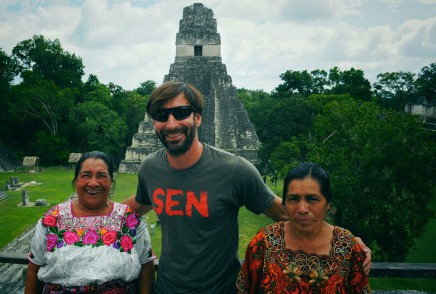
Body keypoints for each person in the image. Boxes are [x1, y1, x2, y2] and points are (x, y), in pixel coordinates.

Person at [123, 81, 371, 293]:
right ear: (154, 122)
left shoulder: (235, 170)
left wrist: (341, 240)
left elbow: (285, 211)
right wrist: (85, 209)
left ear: (197, 117)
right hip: (166, 288)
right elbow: (135, 206)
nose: (171, 122)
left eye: (181, 112)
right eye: (161, 115)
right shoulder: (150, 168)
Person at [25, 151, 155, 294]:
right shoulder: (52, 219)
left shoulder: (130, 220)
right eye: (86, 175)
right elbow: (33, 268)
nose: (93, 183)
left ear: (111, 181)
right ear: (75, 181)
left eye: (102, 176)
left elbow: (147, 267)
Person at [236, 162, 371, 293]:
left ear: (328, 203)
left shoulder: (347, 246)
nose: (302, 209)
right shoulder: (264, 242)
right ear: (284, 203)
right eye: (293, 199)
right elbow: (244, 289)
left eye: (312, 199)